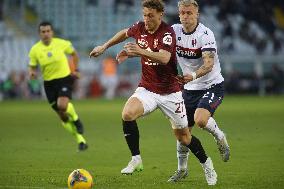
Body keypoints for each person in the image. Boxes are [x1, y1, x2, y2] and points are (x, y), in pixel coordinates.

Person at [90, 0, 216, 184]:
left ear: (160, 15)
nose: (146, 19)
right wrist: (104, 46)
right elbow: (124, 33)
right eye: (144, 15)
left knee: (184, 138)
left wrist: (139, 51)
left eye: (151, 15)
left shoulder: (167, 33)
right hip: (147, 89)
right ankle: (136, 159)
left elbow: (165, 58)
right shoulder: (140, 27)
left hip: (170, 93)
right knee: (127, 113)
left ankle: (207, 165)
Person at [169, 0, 230, 183]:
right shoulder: (174, 31)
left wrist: (193, 75)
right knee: (182, 133)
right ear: (179, 14)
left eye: (189, 13)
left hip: (211, 85)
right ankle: (182, 170)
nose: (186, 16)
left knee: (201, 120)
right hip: (188, 89)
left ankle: (220, 137)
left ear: (197, 14)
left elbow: (209, 64)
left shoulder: (205, 34)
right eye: (183, 13)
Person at [28, 21, 88, 151]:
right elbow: (32, 66)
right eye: (43, 32)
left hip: (64, 79)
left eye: (48, 31)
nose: (46, 34)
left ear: (52, 32)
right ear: (39, 34)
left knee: (62, 105)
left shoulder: (62, 43)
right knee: (62, 116)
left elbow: (74, 54)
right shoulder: (35, 49)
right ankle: (80, 140)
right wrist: (32, 72)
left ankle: (77, 119)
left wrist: (76, 69)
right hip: (49, 84)